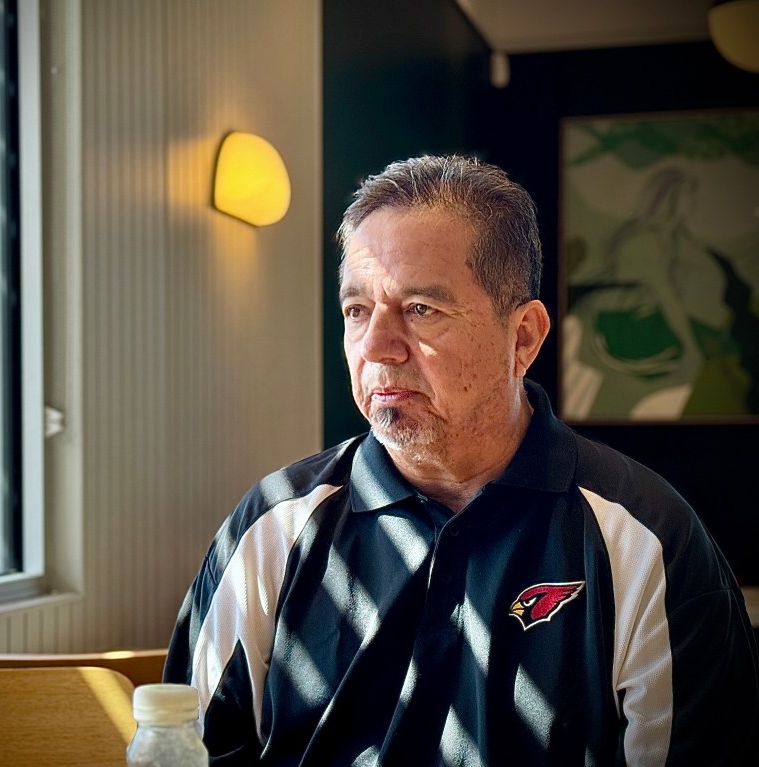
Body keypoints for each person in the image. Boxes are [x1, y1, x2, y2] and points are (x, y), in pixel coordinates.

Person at [162, 154, 759, 765]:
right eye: (357, 310)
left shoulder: (644, 542)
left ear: (522, 337)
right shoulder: (271, 528)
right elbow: (187, 747)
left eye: (421, 309)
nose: (375, 347)